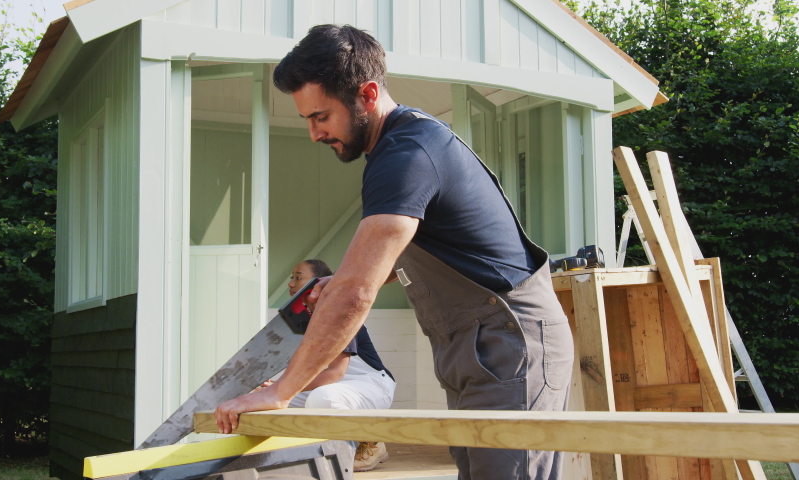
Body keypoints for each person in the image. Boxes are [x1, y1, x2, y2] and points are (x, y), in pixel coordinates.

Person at [215, 24, 575, 480]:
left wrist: (282, 391)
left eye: (321, 116)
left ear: (366, 95)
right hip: (471, 344)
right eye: (307, 119)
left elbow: (355, 293)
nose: (313, 133)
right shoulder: (392, 152)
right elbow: (411, 255)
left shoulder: (409, 153)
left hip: (510, 340)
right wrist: (340, 280)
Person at [282, 259, 396, 472]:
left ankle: (371, 443)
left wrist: (280, 387)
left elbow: (335, 372)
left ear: (317, 284)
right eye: (292, 278)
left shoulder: (340, 312)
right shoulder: (299, 320)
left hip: (370, 385)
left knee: (323, 398)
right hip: (335, 386)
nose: (290, 284)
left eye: (298, 277)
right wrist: (271, 389)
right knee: (272, 404)